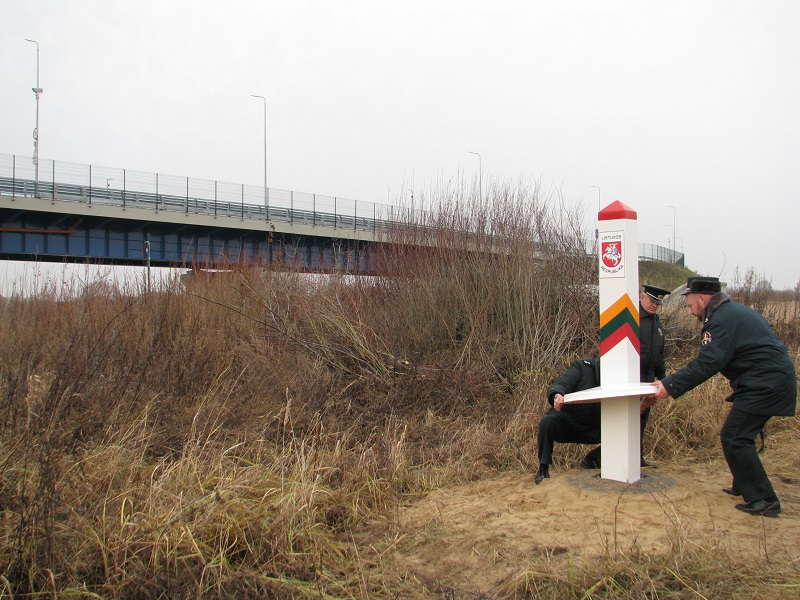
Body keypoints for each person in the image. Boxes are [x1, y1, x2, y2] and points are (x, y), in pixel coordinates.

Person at [650, 276, 797, 516]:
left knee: (735, 436)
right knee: (739, 435)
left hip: (766, 383)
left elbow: (709, 362)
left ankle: (764, 499)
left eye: (688, 305)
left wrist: (669, 384)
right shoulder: (732, 313)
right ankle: (743, 484)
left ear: (702, 298)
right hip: (769, 380)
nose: (689, 312)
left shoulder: (720, 320)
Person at [579, 283, 671, 469]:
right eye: (652, 301)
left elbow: (659, 354)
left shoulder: (657, 324)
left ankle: (636, 457)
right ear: (642, 297)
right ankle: (594, 458)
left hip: (648, 381)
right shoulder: (632, 319)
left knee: (640, 422)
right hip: (630, 379)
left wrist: (662, 377)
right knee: (627, 422)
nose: (654, 305)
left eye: (657, 303)